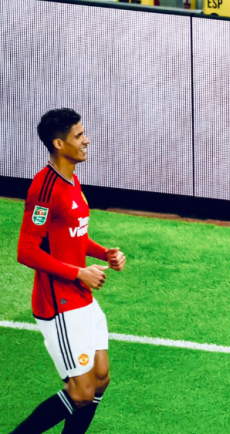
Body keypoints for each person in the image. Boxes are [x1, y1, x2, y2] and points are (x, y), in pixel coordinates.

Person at [11, 108, 126, 434]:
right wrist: (79, 273)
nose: (86, 140)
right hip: (58, 303)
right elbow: (26, 251)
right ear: (59, 143)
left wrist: (105, 253)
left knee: (100, 380)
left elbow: (73, 236)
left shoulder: (72, 180)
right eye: (79, 135)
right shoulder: (45, 188)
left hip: (81, 297)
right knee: (81, 393)